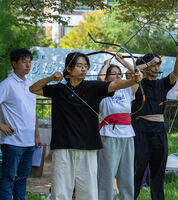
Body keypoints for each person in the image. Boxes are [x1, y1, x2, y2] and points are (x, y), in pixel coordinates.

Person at [29, 52, 142, 200]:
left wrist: (133, 80)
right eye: (79, 66)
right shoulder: (58, 89)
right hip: (63, 146)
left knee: (88, 192)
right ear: (69, 69)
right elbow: (33, 89)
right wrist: (51, 78)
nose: (84, 69)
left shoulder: (93, 87)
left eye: (86, 66)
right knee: (60, 191)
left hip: (88, 147)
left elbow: (115, 84)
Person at [97, 54, 154, 200]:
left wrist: (123, 62)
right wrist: (106, 63)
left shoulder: (127, 90)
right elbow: (100, 79)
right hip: (109, 135)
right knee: (107, 174)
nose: (117, 77)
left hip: (127, 135)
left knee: (127, 173)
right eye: (113, 74)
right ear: (107, 77)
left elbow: (135, 74)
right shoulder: (103, 91)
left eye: (119, 74)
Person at [132, 44, 178, 200]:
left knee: (158, 171)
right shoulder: (136, 82)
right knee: (138, 169)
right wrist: (148, 63)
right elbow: (133, 71)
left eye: (159, 64)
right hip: (141, 129)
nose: (157, 67)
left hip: (159, 130)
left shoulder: (162, 83)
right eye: (154, 64)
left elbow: (176, 72)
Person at [0, 48, 42, 200]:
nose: (28, 65)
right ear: (14, 63)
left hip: (29, 142)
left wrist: (37, 135)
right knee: (9, 178)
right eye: (24, 62)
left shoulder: (31, 85)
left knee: (22, 179)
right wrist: (0, 124)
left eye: (29, 62)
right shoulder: (6, 84)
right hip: (13, 141)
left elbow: (33, 112)